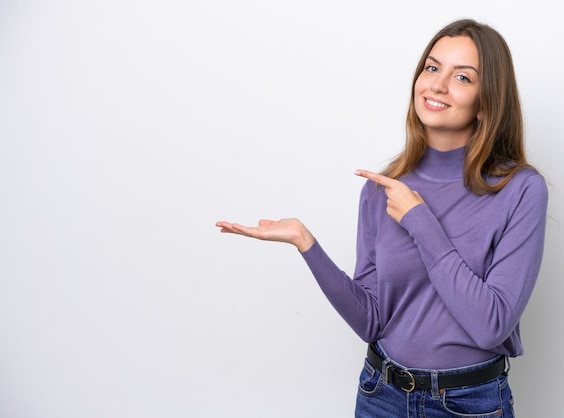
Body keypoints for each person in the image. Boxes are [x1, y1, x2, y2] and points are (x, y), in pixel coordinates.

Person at [216, 18, 547, 418]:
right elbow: (372, 321)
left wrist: (420, 220)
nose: (437, 85)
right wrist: (306, 243)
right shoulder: (382, 189)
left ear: (487, 102)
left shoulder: (519, 189)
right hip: (381, 395)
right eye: (431, 67)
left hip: (468, 404)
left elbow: (491, 325)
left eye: (462, 76)